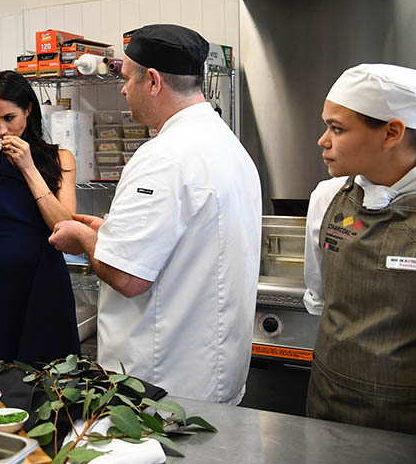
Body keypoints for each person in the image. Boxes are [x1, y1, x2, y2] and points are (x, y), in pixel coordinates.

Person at [49, 24, 261, 404]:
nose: (123, 88)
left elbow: (129, 277)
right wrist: (109, 233)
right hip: (213, 376)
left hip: (160, 386)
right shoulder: (228, 146)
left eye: (128, 78)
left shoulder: (163, 156)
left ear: (153, 81)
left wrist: (82, 239)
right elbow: (177, 242)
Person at [302, 64, 416, 433]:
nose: (323, 140)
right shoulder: (328, 197)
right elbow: (320, 297)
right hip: (329, 397)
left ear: (391, 133)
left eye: (337, 128)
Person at [0, 70, 80, 366]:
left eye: (10, 118)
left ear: (28, 110)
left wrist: (29, 169)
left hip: (44, 282)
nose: (1, 131)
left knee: (52, 380)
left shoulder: (61, 159)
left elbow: (65, 229)